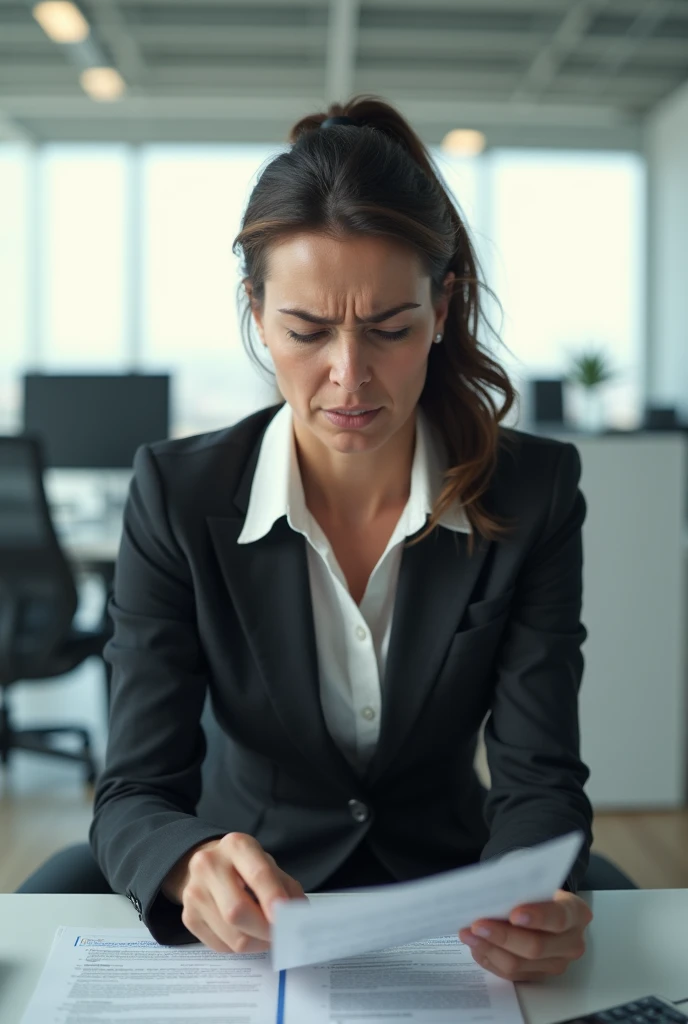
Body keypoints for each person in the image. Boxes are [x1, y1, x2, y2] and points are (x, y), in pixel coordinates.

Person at [78, 97, 597, 982]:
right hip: (251, 912)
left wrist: (532, 889)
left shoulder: (533, 492)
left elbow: (539, 774)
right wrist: (185, 861)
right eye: (307, 331)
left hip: (453, 901)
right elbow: (135, 790)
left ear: (443, 306)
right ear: (255, 308)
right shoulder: (177, 494)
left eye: (390, 329)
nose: (348, 375)